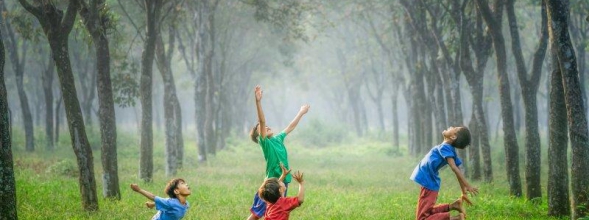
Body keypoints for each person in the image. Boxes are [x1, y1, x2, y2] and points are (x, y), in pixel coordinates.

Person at [248, 85, 310, 220]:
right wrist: (258, 102)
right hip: (271, 184)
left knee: (276, 212)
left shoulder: (278, 139)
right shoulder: (265, 143)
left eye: (266, 126)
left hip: (282, 181)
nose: (266, 126)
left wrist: (301, 112)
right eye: (262, 128)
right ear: (260, 135)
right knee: (256, 214)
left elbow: (290, 127)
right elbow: (262, 120)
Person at [410, 126, 478, 220]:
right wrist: (463, 192)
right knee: (428, 211)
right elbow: (457, 170)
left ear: (453, 137)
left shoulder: (445, 148)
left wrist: (467, 185)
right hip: (429, 182)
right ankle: (454, 206)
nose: (450, 127)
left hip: (428, 183)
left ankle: (456, 218)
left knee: (422, 218)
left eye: (454, 128)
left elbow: (454, 168)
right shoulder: (448, 149)